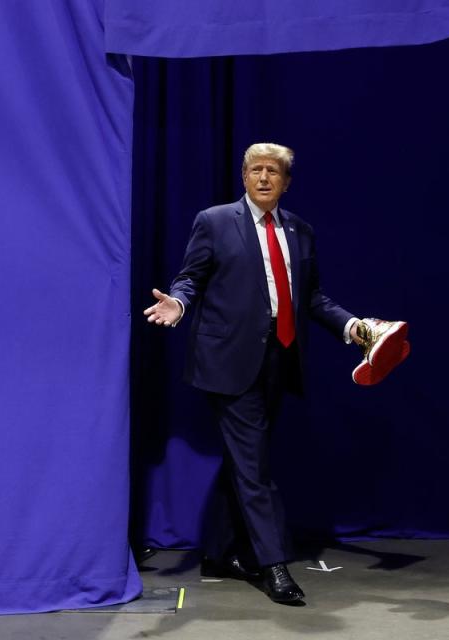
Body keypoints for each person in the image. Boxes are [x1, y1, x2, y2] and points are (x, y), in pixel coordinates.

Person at [144, 143, 367, 604]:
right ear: (244, 177)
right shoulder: (214, 221)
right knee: (255, 468)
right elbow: (191, 278)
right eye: (255, 170)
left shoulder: (300, 230)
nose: (264, 178)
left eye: (273, 171)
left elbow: (313, 297)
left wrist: (352, 326)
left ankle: (222, 552)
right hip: (228, 362)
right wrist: (179, 303)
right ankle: (274, 564)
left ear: (286, 182)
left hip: (278, 362)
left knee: (244, 460)